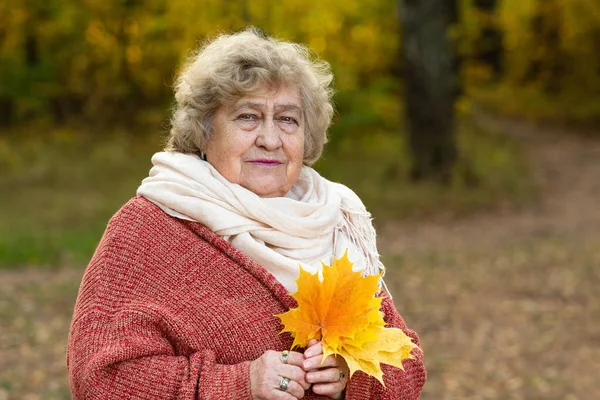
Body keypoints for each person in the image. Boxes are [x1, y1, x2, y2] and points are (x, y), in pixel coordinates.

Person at [67, 28, 426, 399]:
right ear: (204, 132)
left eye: (288, 120)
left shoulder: (337, 223)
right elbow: (101, 380)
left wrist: (352, 377)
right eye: (247, 117)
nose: (270, 139)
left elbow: (408, 366)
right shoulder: (148, 228)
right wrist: (239, 384)